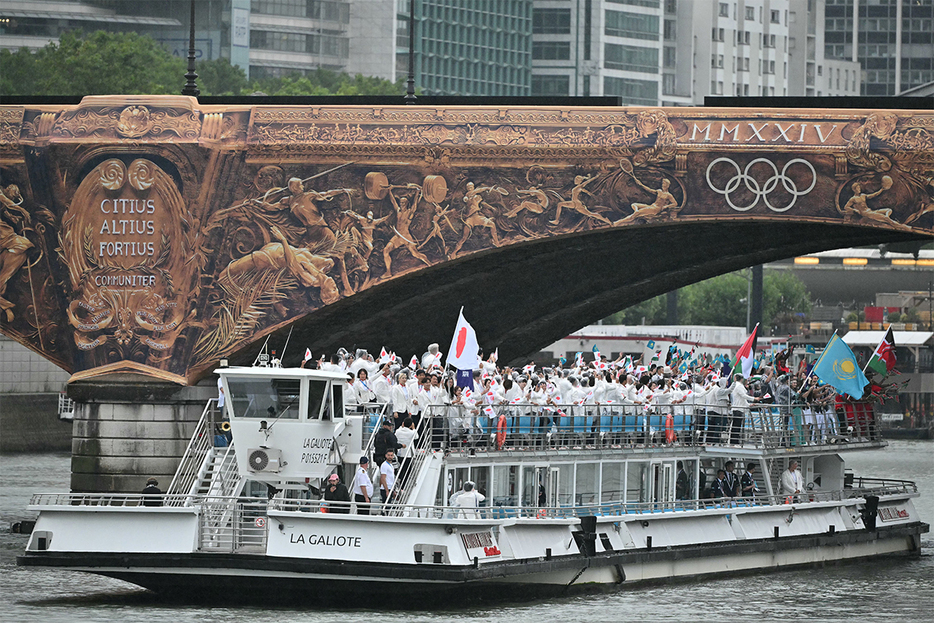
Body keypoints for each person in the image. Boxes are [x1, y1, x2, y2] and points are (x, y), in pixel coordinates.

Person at [395, 417, 418, 483]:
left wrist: (401, 426)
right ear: (411, 425)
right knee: (407, 470)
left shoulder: (398, 431)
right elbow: (416, 436)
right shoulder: (411, 432)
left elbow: (396, 433)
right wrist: (413, 428)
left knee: (400, 469)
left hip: (399, 452)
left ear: (403, 423)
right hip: (408, 454)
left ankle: (398, 480)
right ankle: (403, 485)